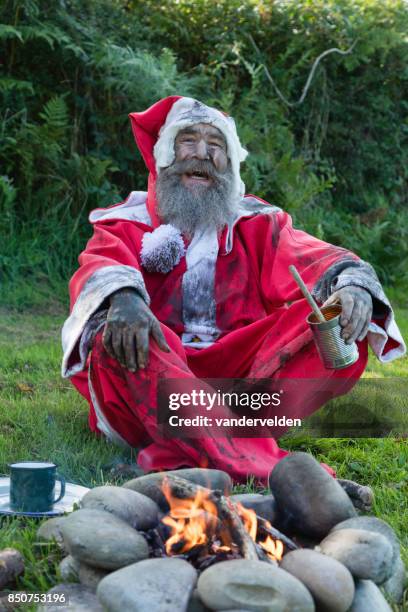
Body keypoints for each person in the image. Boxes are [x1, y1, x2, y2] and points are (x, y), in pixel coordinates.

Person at [61, 96, 405, 484]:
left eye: (216, 145)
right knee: (119, 332)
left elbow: (316, 258)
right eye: (188, 141)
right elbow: (102, 266)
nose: (203, 154)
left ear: (229, 163)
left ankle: (201, 440)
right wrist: (124, 299)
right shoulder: (125, 223)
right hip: (157, 376)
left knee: (342, 320)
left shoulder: (259, 222)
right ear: (165, 155)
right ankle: (266, 468)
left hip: (244, 390)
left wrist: (353, 284)